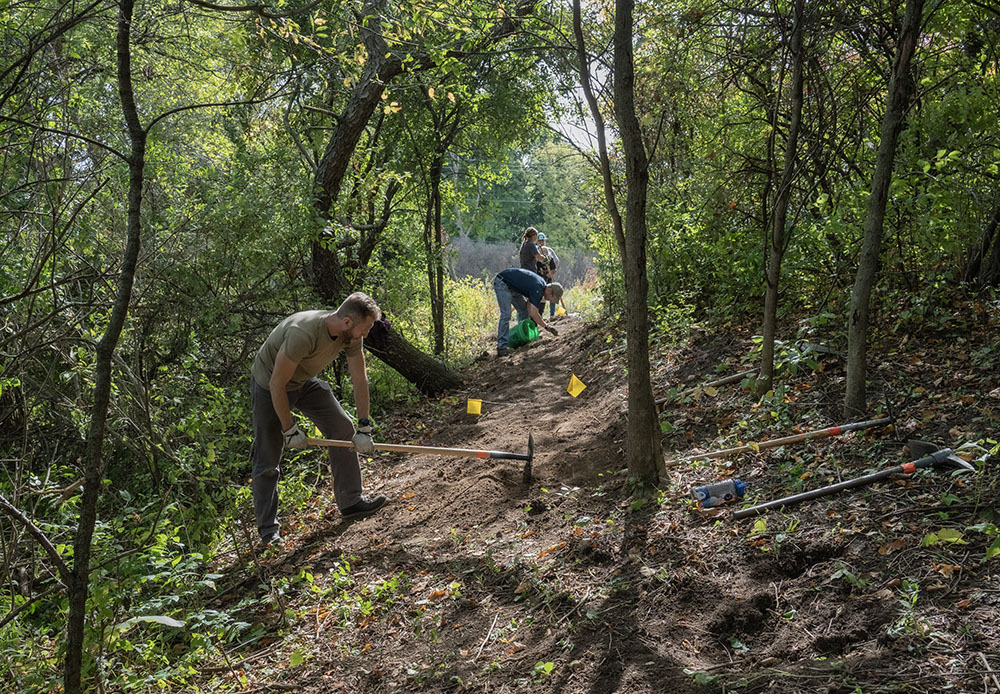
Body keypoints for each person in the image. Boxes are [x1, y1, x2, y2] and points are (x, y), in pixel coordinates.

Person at [250, 292, 388, 547]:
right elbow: (277, 383)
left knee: (342, 427)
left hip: (302, 382)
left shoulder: (349, 336)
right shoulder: (303, 333)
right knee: (268, 460)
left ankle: (351, 502)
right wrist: (289, 429)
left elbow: (359, 379)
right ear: (347, 322)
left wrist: (364, 426)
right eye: (365, 329)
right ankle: (268, 532)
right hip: (270, 386)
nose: (366, 335)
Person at [493, 267, 562, 357]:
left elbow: (530, 304)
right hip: (503, 283)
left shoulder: (540, 286)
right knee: (506, 314)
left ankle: (521, 338)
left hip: (513, 287)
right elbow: (534, 313)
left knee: (523, 310)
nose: (550, 300)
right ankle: (501, 347)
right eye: (552, 298)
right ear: (549, 291)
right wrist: (547, 327)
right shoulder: (538, 289)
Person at [535, 233, 567, 318]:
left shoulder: (549, 252)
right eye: (539, 241)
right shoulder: (535, 251)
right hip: (539, 279)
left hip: (548, 278)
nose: (541, 242)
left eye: (542, 240)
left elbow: (556, 263)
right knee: (541, 297)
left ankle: (552, 314)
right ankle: (538, 314)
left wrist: (551, 273)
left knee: (552, 293)